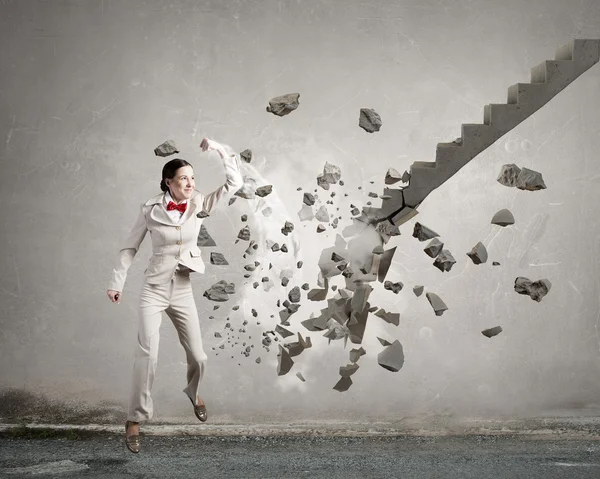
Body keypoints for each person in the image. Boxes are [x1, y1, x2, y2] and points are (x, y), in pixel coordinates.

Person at [106, 137, 244, 453]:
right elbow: (130, 247)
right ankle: (134, 420)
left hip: (182, 289)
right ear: (168, 182)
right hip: (154, 289)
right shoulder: (149, 209)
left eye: (193, 178)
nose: (190, 183)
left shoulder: (198, 203)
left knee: (198, 355)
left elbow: (233, 184)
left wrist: (220, 149)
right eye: (184, 178)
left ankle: (193, 393)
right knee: (148, 355)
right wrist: (117, 282)